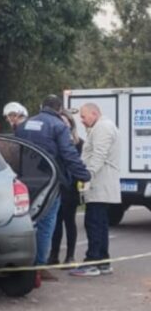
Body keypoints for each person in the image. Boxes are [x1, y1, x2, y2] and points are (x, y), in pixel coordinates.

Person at [14, 95, 91, 280]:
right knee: (47, 222)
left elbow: (16, 151)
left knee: (27, 222)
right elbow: (68, 154)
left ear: (41, 106)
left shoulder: (23, 125)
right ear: (59, 109)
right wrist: (84, 174)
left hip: (25, 181)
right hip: (49, 182)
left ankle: (23, 262)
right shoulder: (58, 126)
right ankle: (39, 265)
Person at [70, 103, 121, 277]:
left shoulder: (103, 128)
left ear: (94, 113)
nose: (82, 121)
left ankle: (92, 262)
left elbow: (99, 154)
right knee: (100, 224)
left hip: (100, 184)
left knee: (93, 223)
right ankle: (103, 262)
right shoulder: (102, 127)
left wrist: (87, 175)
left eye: (83, 117)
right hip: (101, 183)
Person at [49, 111, 82, 266]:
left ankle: (70, 256)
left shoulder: (78, 143)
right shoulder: (53, 143)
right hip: (56, 187)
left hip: (71, 187)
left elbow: (79, 164)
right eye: (60, 121)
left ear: (71, 124)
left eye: (66, 121)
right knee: (55, 222)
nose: (63, 124)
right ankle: (53, 255)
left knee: (69, 221)